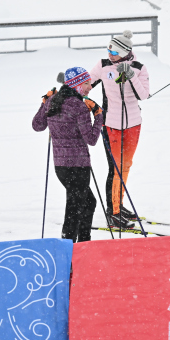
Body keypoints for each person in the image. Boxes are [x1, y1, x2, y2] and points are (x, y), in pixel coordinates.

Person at [33, 67, 104, 243]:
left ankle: (83, 242)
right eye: (86, 83)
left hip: (61, 168)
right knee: (75, 207)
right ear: (76, 85)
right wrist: (99, 116)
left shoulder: (52, 101)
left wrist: (44, 102)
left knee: (87, 203)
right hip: (78, 166)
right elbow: (92, 139)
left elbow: (37, 125)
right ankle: (70, 245)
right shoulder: (79, 106)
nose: (90, 87)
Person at [88, 30, 150, 229]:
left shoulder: (139, 68)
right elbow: (86, 85)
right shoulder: (103, 65)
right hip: (111, 125)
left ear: (125, 52)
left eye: (114, 51)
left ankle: (119, 204)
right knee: (116, 169)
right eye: (108, 49)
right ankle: (112, 212)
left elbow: (144, 95)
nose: (110, 54)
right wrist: (67, 90)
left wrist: (131, 76)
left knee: (126, 166)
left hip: (133, 124)